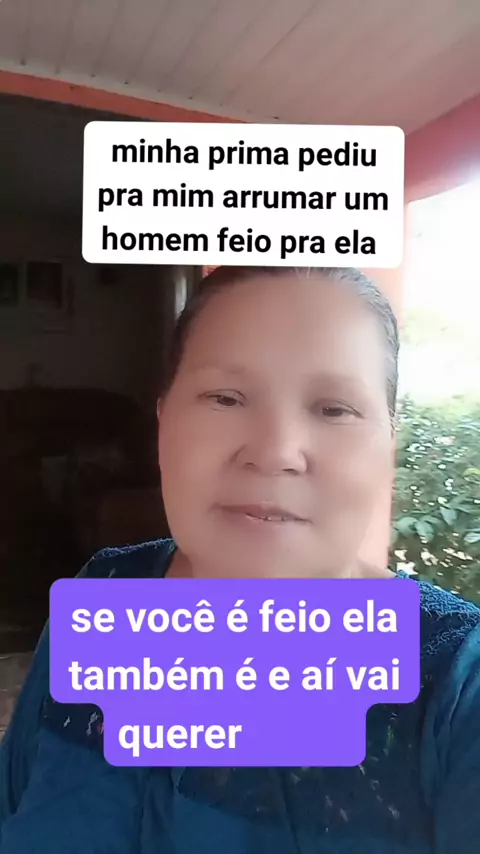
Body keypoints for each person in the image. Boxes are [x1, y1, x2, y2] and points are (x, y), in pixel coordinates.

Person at [1, 265, 479, 853]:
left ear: (388, 441)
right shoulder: (104, 590)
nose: (275, 452)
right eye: (224, 398)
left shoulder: (457, 691)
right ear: (163, 421)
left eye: (334, 409)